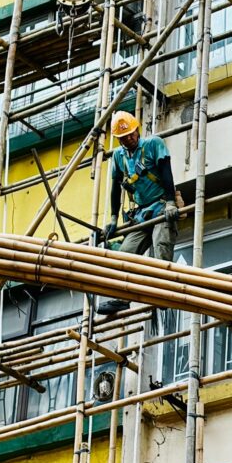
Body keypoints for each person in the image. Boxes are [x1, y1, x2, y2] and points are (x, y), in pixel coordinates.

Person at [96, 111, 179, 316]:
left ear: (137, 130)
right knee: (125, 254)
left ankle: (164, 291)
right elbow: (116, 188)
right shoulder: (118, 156)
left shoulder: (153, 144)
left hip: (160, 205)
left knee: (161, 246)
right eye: (124, 137)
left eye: (132, 134)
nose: (129, 138)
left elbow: (166, 173)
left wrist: (170, 202)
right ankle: (121, 297)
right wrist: (114, 218)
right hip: (141, 213)